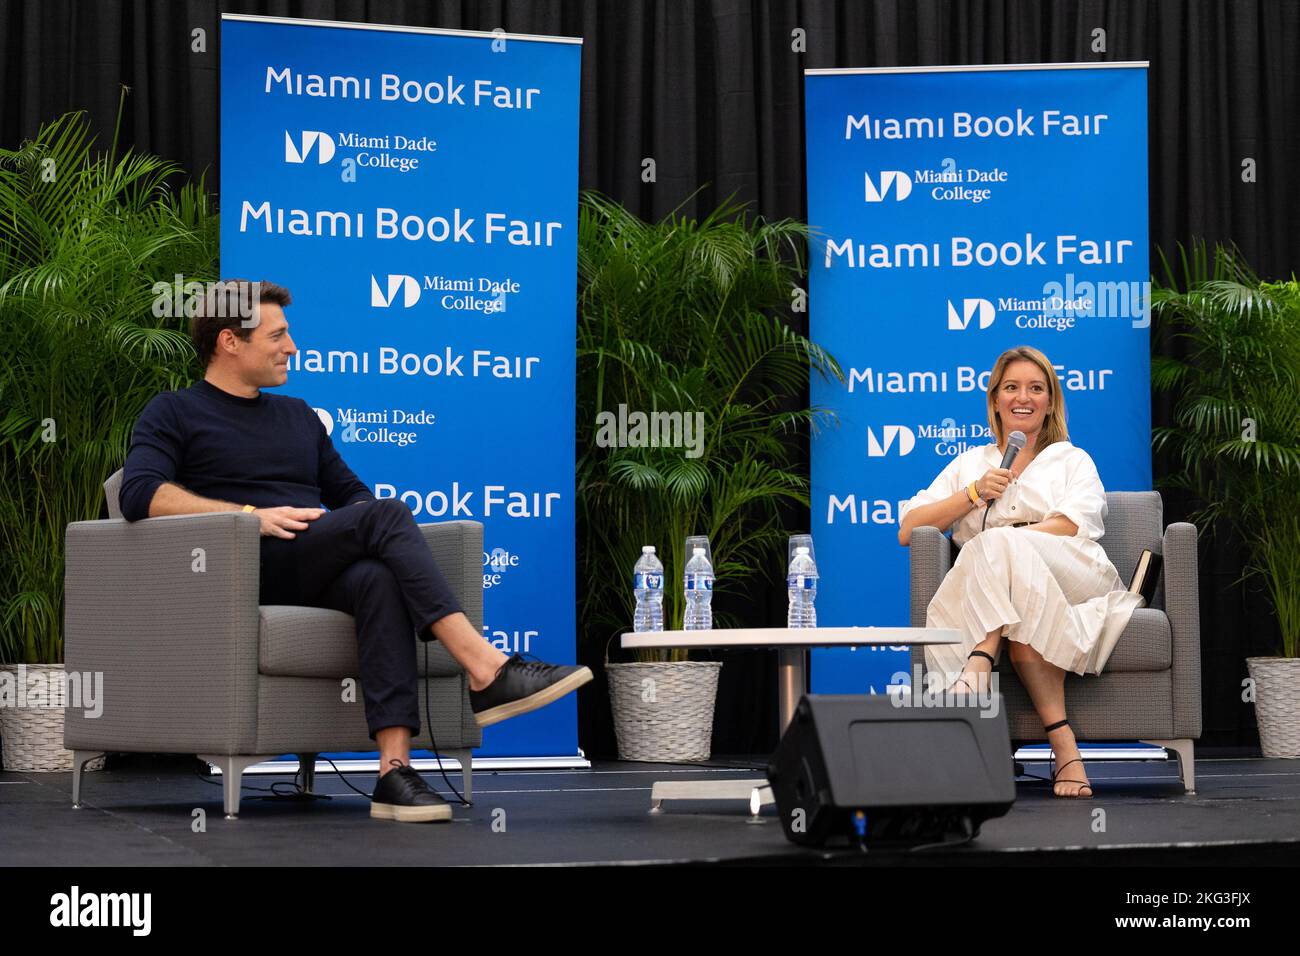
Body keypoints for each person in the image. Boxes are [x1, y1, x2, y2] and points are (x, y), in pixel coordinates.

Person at [120, 279, 592, 823]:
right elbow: (140, 492)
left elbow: (353, 497)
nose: (292, 347)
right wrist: (250, 516)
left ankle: (394, 772)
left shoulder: (298, 416)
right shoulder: (174, 411)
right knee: (386, 517)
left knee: (378, 576)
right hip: (242, 566)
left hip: (310, 559)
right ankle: (486, 669)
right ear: (229, 341)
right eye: (277, 336)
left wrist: (354, 530)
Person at [897, 345, 1142, 799]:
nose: (1023, 397)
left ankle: (979, 662)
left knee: (997, 544)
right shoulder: (972, 464)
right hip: (1008, 590)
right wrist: (972, 494)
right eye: (1011, 387)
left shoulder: (1071, 459)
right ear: (995, 400)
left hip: (1073, 573)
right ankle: (1066, 752)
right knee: (1018, 603)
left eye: (1036, 388)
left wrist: (1007, 543)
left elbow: (1072, 525)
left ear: (1050, 401)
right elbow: (909, 529)